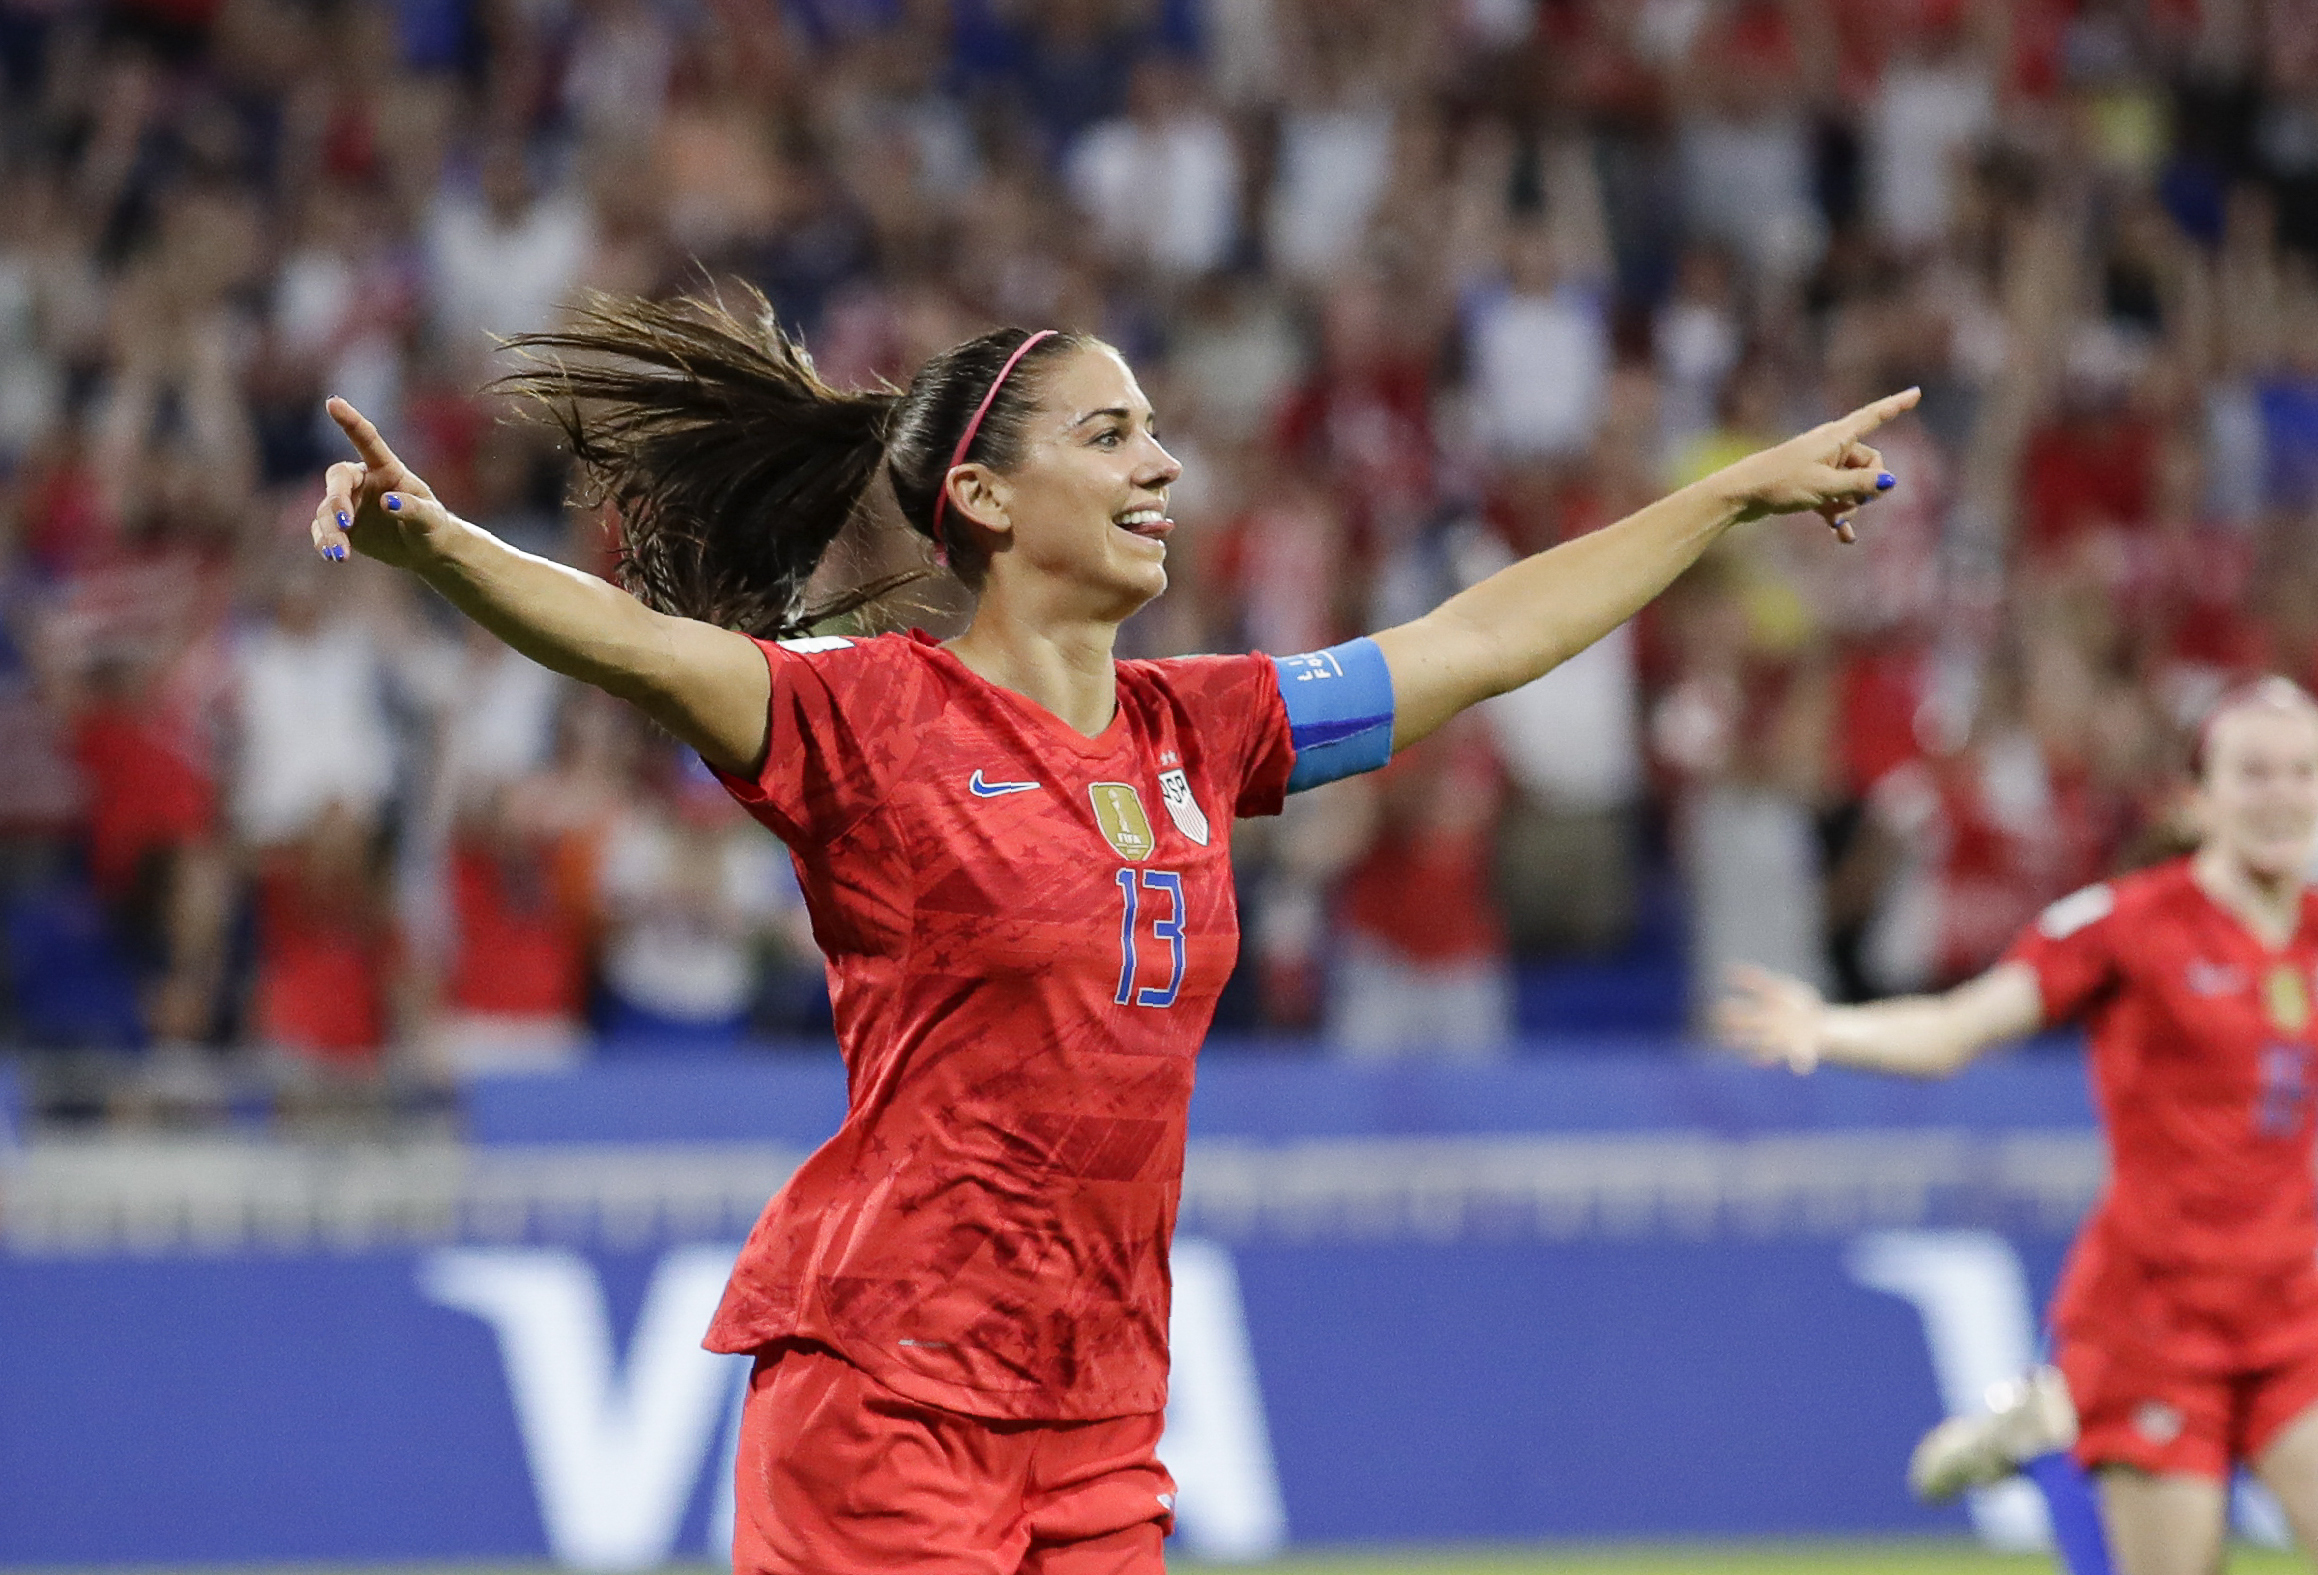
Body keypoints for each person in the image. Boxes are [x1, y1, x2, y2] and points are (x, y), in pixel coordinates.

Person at [309, 290, 1912, 1575]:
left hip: (1101, 1411)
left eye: (1155, 431)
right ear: (986, 495)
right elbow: (643, 648)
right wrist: (438, 542)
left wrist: (1724, 496)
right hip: (890, 1391)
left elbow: (1475, 639)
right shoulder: (864, 715)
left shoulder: (1200, 732)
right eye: (1109, 432)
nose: (1161, 465)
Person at [1717, 679, 2318, 1575]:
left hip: (2294, 1317)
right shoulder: (2126, 924)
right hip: (2158, 1327)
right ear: (2198, 796)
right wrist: (1831, 1026)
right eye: (2254, 771)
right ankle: (2048, 1418)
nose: (2280, 792)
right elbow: (1961, 1027)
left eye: (2302, 771)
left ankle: (2036, 1421)